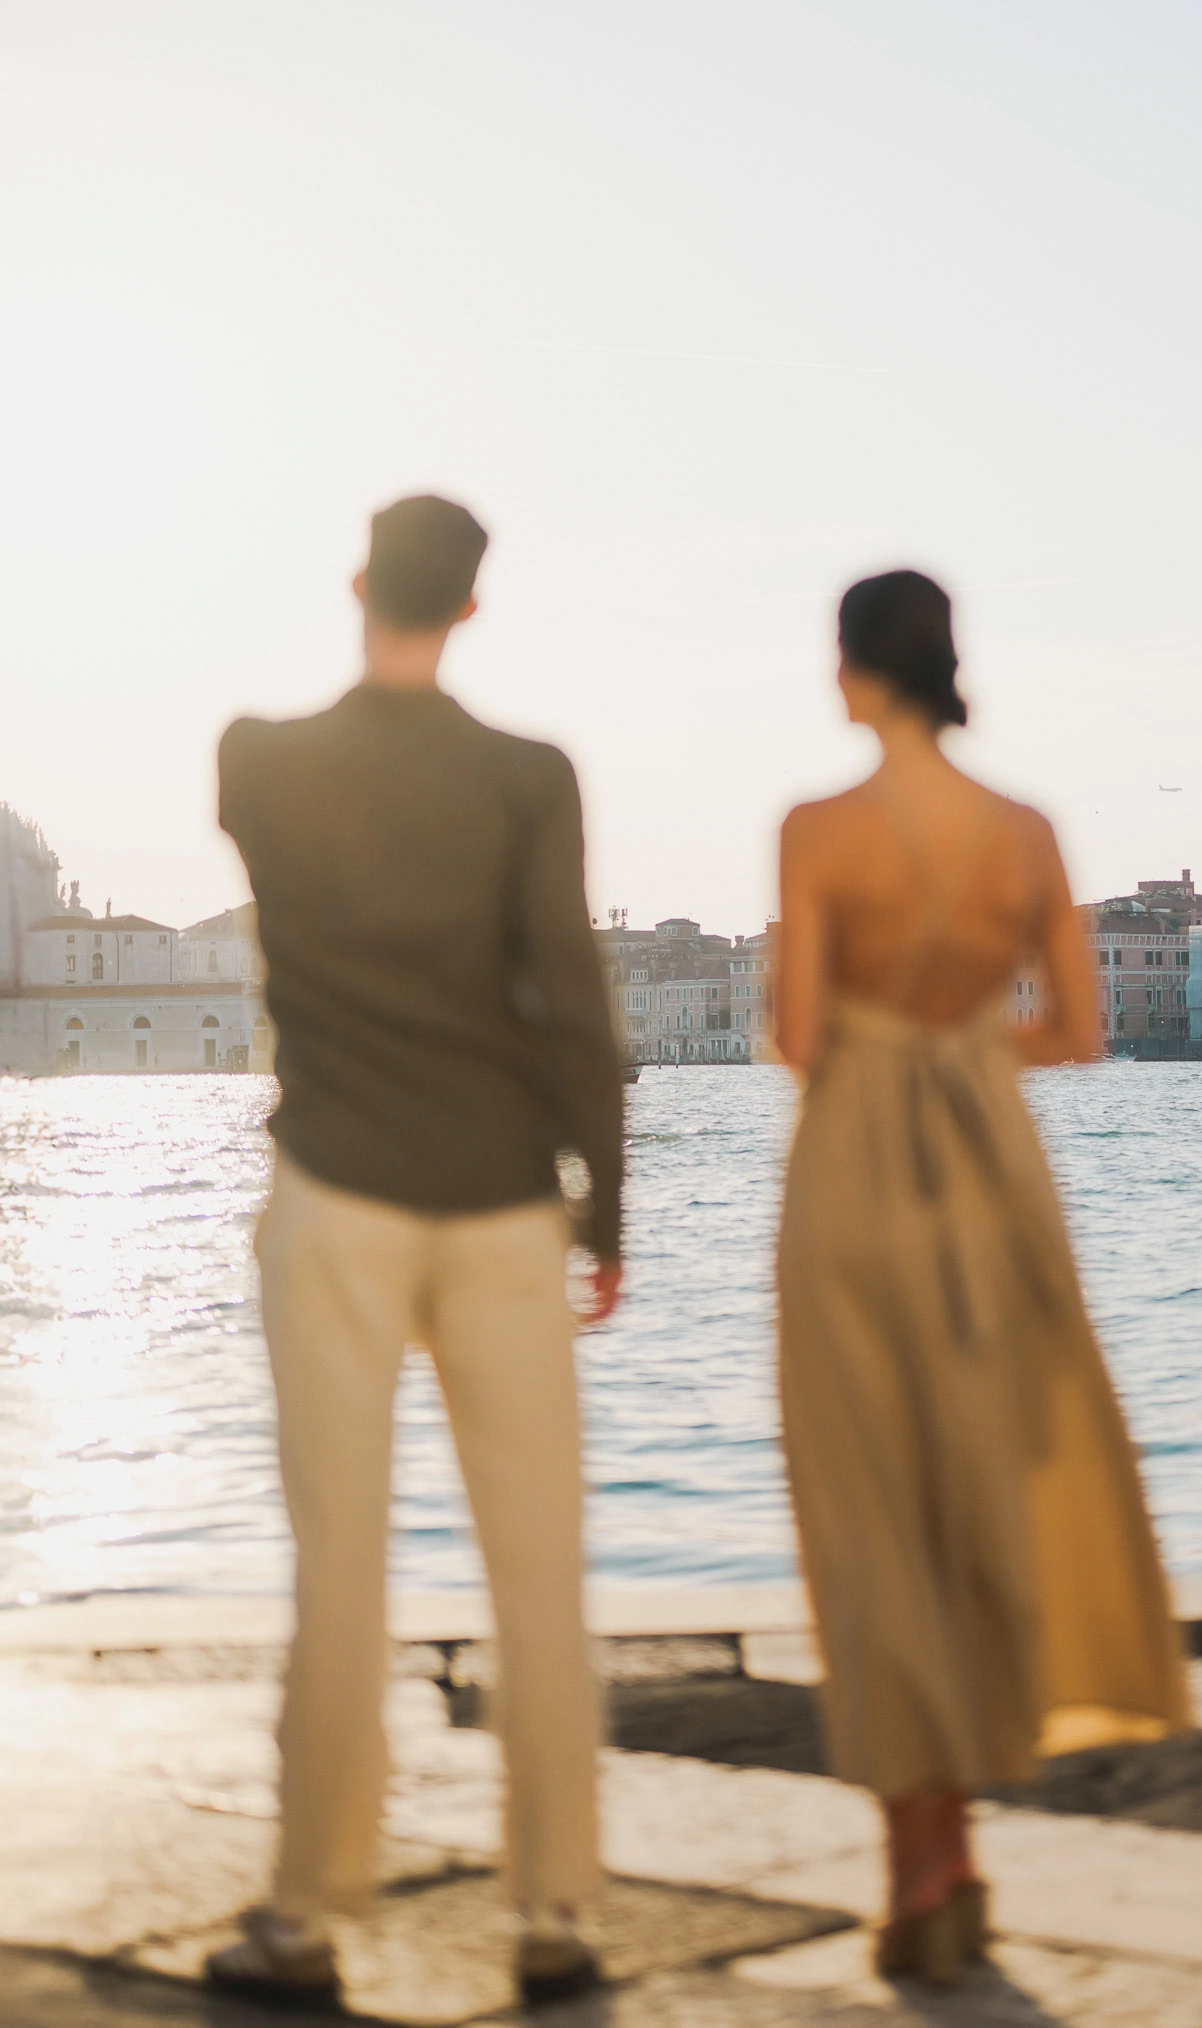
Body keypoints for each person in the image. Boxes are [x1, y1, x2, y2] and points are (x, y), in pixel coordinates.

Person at [206, 495, 623, 2008]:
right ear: (474, 608)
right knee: (539, 1568)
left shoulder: (259, 761)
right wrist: (608, 1206)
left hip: (337, 1192)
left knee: (341, 1566)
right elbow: (569, 990)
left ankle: (306, 1917)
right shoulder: (529, 778)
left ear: (357, 583)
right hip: (504, 1201)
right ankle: (555, 1911)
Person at [775, 570, 1191, 1988]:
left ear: (853, 670)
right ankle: (967, 1835)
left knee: (867, 1499)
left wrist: (889, 1049)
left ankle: (921, 1861)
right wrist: (957, 1048)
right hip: (991, 1172)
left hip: (853, 1170)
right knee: (986, 1473)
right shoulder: (1024, 831)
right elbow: (1076, 1032)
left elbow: (800, 1036)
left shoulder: (818, 830)